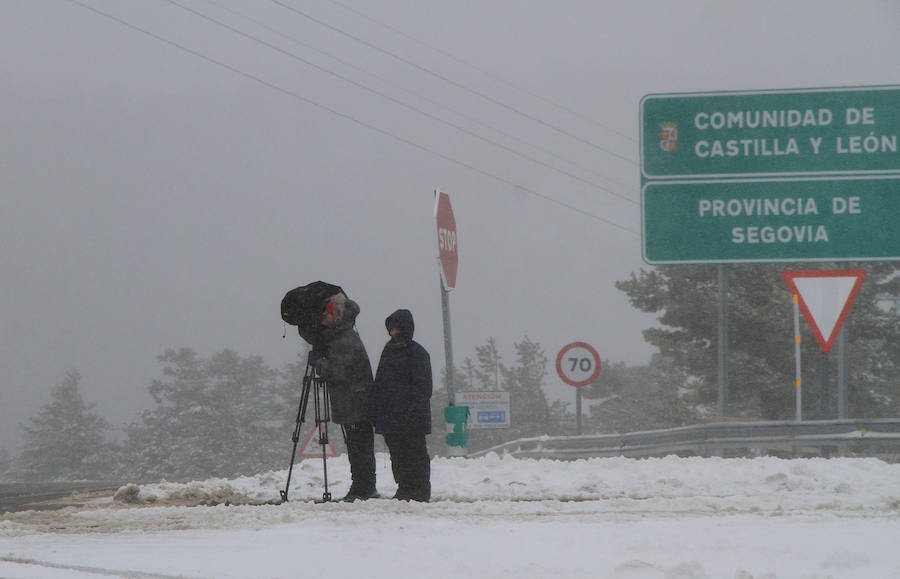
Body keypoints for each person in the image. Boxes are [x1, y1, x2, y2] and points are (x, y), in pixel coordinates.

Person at [313, 292, 378, 502]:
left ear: (338, 315)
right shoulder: (343, 337)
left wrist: (318, 364)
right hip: (354, 402)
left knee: (359, 447)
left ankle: (362, 488)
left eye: (328, 312)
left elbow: (337, 372)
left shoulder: (344, 340)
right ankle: (363, 486)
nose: (324, 315)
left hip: (354, 403)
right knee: (358, 447)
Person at [373, 309, 433, 502]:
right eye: (391, 329)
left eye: (396, 329)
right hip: (391, 417)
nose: (393, 333)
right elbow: (380, 381)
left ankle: (420, 490)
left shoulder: (417, 353)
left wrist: (409, 410)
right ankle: (404, 488)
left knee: (415, 454)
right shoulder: (388, 351)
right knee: (397, 456)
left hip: (411, 417)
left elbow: (423, 388)